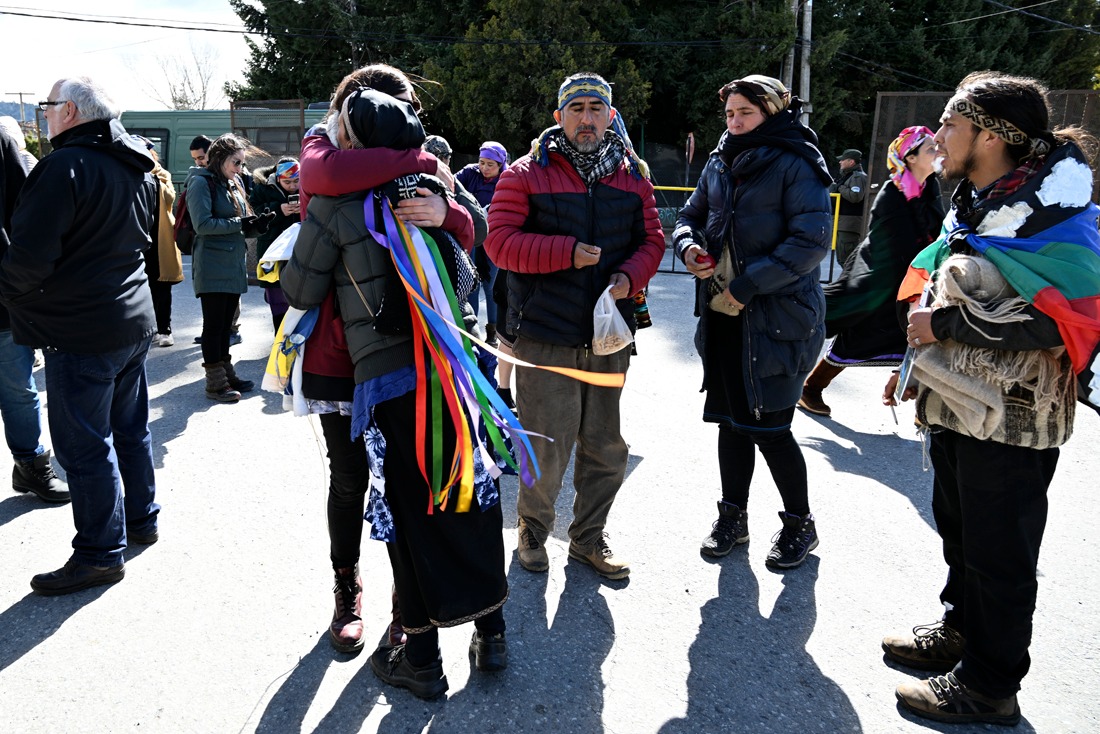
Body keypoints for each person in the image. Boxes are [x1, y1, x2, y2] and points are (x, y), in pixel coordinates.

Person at [881, 72, 1100, 727]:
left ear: (993, 135)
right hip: (958, 406)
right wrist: (915, 363)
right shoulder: (977, 202)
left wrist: (942, 329)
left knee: (1000, 555)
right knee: (961, 535)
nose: (937, 137)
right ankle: (959, 635)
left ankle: (989, 685)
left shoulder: (1059, 219)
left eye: (950, 124)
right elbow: (943, 286)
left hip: (1015, 420)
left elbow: (1072, 317)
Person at [284, 72, 506, 701]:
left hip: (384, 368)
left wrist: (451, 213)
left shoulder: (356, 188)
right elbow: (469, 263)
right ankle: (485, 627)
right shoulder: (417, 172)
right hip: (441, 361)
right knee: (462, 484)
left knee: (405, 508)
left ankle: (420, 646)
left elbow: (299, 290)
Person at [485, 72, 665, 580]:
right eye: (577, 108)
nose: (587, 118)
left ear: (610, 116)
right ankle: (533, 530)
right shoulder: (524, 173)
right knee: (546, 440)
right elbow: (499, 244)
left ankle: (588, 537)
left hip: (609, 337)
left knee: (606, 445)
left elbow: (652, 240)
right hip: (545, 334)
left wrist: (631, 276)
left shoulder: (633, 176)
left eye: (596, 108)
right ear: (559, 116)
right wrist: (565, 253)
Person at [0, 76, 161, 594]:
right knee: (128, 431)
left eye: (47, 106)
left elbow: (27, 260)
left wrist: (8, 292)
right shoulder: (133, 160)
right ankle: (141, 520)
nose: (43, 115)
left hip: (83, 328)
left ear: (69, 110)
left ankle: (98, 553)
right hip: (130, 319)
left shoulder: (62, 166)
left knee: (84, 447)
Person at [674, 74, 831, 570]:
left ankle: (800, 526)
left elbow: (809, 243)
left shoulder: (796, 162)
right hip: (724, 315)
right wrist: (689, 247)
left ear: (773, 112)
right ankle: (733, 518)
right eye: (729, 114)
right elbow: (689, 216)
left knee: (772, 429)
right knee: (731, 424)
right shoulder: (720, 160)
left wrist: (747, 286)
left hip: (776, 318)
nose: (735, 121)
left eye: (746, 112)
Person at [798, 126, 943, 417]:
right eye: (930, 149)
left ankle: (926, 407)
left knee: (922, 342)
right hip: (883, 278)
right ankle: (811, 388)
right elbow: (887, 242)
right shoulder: (892, 192)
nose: (939, 151)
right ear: (911, 158)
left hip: (915, 281)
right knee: (860, 334)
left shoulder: (931, 188)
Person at [0, 111, 69, 504]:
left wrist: (16, 283)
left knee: (18, 391)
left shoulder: (0, 140)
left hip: (2, 301)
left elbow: (29, 217)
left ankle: (29, 466)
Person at [187, 133, 273, 402]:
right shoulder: (201, 183)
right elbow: (202, 225)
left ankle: (226, 373)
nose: (240, 169)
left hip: (230, 262)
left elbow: (239, 221)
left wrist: (256, 226)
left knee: (226, 325)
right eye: (236, 162)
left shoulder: (230, 182)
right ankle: (215, 382)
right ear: (221, 158)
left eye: (242, 163)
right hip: (212, 264)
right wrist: (241, 225)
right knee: (214, 325)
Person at [133, 136, 184, 347]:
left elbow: (170, 198)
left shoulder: (161, 175)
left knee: (160, 285)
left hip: (158, 236)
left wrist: (151, 179)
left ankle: (164, 329)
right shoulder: (126, 173)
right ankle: (145, 329)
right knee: (136, 287)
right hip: (134, 237)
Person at [456, 141, 508, 345]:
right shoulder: (470, 173)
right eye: (482, 162)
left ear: (501, 165)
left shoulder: (507, 179)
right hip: (471, 238)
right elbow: (450, 186)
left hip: (493, 239)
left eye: (490, 164)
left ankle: (493, 331)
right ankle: (473, 331)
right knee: (472, 284)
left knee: (491, 285)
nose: (484, 168)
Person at [250, 156, 300, 331]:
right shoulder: (262, 189)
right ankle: (280, 337)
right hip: (272, 249)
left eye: (296, 181)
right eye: (287, 182)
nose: (293, 186)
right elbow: (254, 214)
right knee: (276, 296)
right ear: (278, 178)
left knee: (300, 293)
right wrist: (277, 210)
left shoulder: (308, 187)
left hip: (299, 249)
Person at [831, 148, 868, 266]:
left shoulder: (858, 177)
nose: (840, 162)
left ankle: (853, 283)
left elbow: (855, 196)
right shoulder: (847, 176)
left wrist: (840, 187)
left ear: (851, 162)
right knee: (843, 259)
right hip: (841, 223)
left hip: (848, 224)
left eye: (843, 160)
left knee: (847, 260)